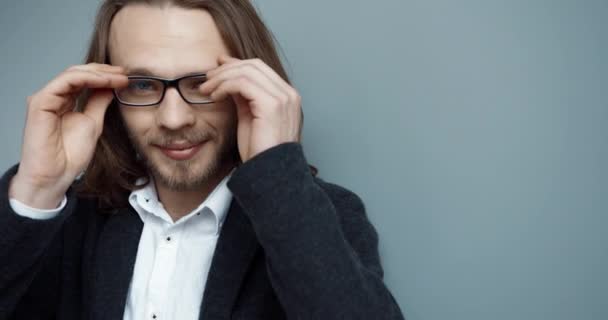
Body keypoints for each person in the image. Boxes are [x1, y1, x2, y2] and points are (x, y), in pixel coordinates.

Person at [0, 0, 405, 319]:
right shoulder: (67, 224)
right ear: (105, 93)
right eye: (142, 84)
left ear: (253, 87)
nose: (174, 119)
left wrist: (279, 170)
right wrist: (36, 190)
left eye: (202, 83)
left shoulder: (327, 216)